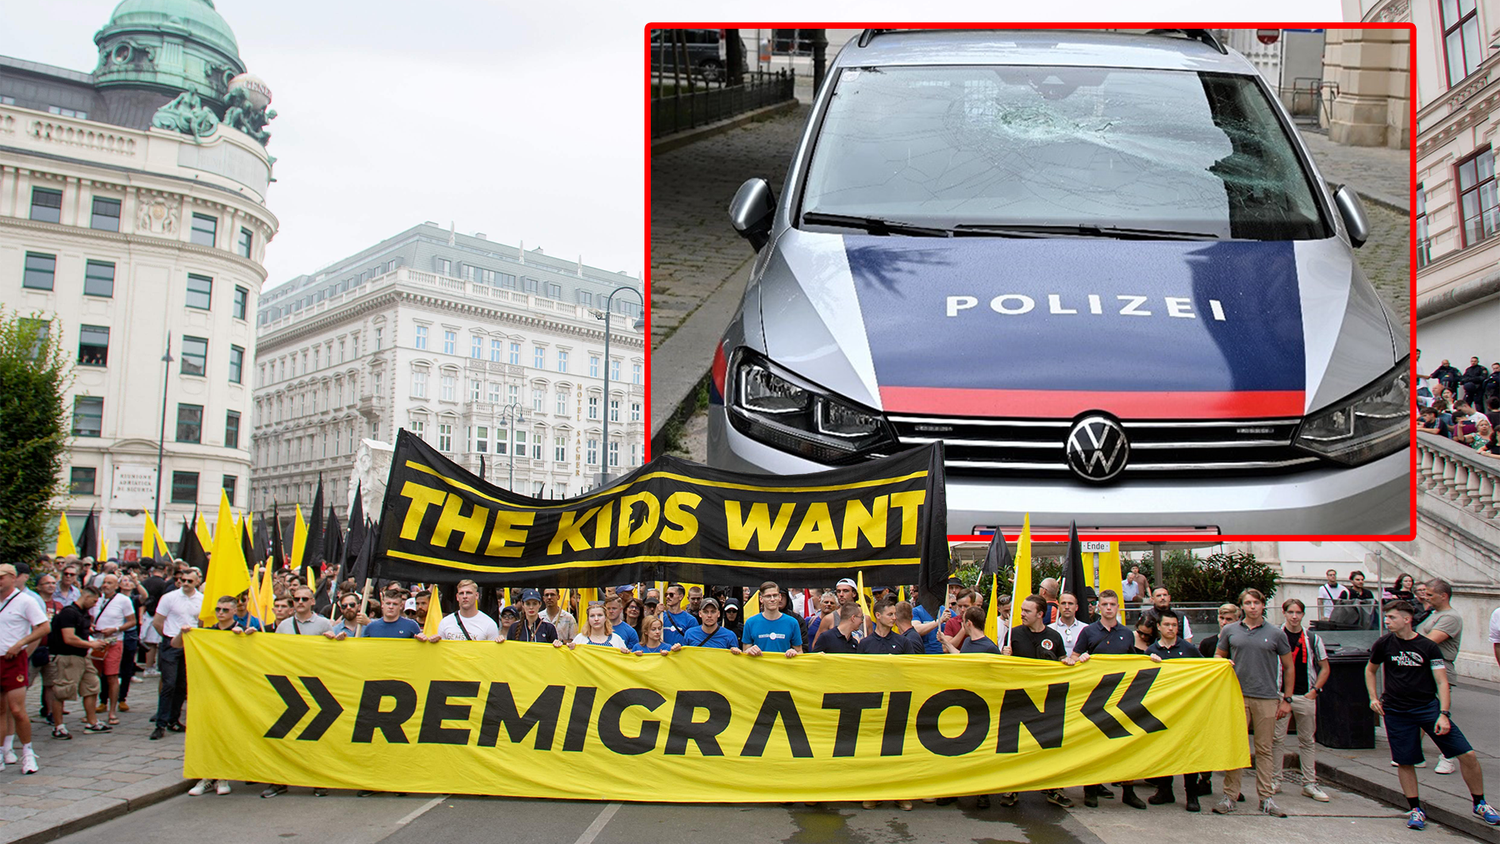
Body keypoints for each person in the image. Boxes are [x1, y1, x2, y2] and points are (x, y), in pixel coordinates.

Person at [1366, 600, 1500, 830]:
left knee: (1467, 754)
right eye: (1386, 617)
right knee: (1405, 761)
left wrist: (1443, 714)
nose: (1387, 621)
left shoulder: (1428, 646)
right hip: (1396, 711)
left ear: (1407, 619)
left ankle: (1480, 803)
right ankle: (1415, 809)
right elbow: (1370, 669)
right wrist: (1373, 698)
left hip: (1427, 708)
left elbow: (1441, 681)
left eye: (1392, 617)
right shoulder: (1384, 644)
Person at [1213, 588, 1295, 818]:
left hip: (1266, 697)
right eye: (1248, 603)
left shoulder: (1276, 633)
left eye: (1256, 603)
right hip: (1237, 696)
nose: (1252, 607)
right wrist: (1223, 662)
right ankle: (1230, 796)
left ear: (1263, 605)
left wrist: (1287, 699)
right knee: (1236, 747)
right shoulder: (1230, 630)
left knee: (1264, 748)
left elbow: (1289, 666)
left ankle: (1266, 797)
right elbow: (1218, 656)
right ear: (1242, 606)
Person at [260, 585, 335, 798]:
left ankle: (317, 779)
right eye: (296, 599)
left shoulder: (323, 624)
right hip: (289, 685)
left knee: (315, 736)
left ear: (313, 601)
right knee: (283, 735)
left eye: (304, 599)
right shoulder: (284, 626)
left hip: (315, 685)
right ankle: (279, 780)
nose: (300, 602)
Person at [1270, 598, 1331, 802]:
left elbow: (1324, 667)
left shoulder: (1312, 639)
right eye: (1291, 612)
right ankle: (1275, 779)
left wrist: (1315, 690)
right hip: (1280, 694)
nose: (1294, 617)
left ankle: (1309, 782)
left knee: (1307, 740)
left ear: (1303, 614)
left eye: (1298, 613)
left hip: (1304, 694)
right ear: (1284, 613)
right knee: (1277, 739)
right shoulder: (1276, 636)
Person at [1145, 611, 1205, 811]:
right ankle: (1164, 790)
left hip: (1186, 709)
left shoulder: (1189, 649)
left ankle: (1191, 795)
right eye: (1167, 625)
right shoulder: (1151, 651)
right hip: (1162, 710)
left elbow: (1205, 668)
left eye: (1174, 625)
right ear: (1159, 627)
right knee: (1163, 750)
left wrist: (1222, 665)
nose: (1171, 628)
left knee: (1188, 751)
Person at [188, 596, 246, 798]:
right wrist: (185, 633)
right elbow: (176, 644)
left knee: (226, 732)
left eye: (225, 610)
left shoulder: (241, 631)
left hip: (232, 690)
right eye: (218, 609)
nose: (220, 613)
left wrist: (245, 639)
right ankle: (206, 776)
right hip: (209, 689)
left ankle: (223, 776)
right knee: (208, 733)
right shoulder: (208, 632)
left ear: (234, 611)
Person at [0, 563, 50, 774]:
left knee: (17, 709)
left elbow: (44, 627)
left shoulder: (25, 601)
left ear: (12, 578)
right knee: (0, 710)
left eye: (1, 577)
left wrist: (20, 643)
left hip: (13, 659)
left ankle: (28, 752)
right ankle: (2, 751)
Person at [45, 585, 108, 737]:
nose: (94, 604)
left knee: (92, 686)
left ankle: (92, 722)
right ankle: (58, 727)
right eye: (94, 601)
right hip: (68, 656)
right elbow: (69, 638)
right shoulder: (69, 613)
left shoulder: (83, 614)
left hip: (83, 656)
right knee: (62, 690)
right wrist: (91, 644)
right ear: (86, 597)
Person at [1415, 579, 1464, 775]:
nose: (1426, 597)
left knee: (1438, 714)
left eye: (1430, 594)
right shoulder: (1433, 614)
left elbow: (1428, 641)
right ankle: (1414, 753)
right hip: (1425, 669)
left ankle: (1448, 756)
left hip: (1440, 668)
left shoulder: (1451, 617)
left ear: (1443, 596)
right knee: (1420, 711)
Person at [150, 568, 202, 740]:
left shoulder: (201, 599)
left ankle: (173, 719)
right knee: (169, 683)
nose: (185, 583)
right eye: (183, 580)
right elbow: (158, 622)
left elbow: (201, 622)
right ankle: (161, 723)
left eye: (189, 581)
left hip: (190, 644)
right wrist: (169, 638)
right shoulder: (169, 597)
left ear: (197, 582)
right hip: (172, 642)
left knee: (182, 684)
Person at [88, 574, 134, 727]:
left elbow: (132, 621)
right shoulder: (96, 599)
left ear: (116, 585)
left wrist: (115, 629)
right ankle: (92, 711)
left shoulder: (123, 600)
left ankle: (112, 711)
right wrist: (90, 626)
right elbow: (89, 616)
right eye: (104, 582)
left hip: (113, 641)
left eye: (109, 583)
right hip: (96, 641)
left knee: (112, 676)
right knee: (93, 676)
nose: (105, 585)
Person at [740, 581, 803, 657]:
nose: (772, 599)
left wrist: (794, 652)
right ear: (761, 599)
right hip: (759, 665)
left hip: (782, 665)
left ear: (780, 597)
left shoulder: (792, 623)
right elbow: (745, 652)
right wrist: (749, 651)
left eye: (775, 595)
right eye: (768, 596)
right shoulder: (750, 623)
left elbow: (800, 651)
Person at [424, 580, 499, 642]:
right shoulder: (445, 622)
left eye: (469, 593)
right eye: (461, 593)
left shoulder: (489, 624)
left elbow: (492, 653)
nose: (465, 596)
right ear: (457, 597)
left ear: (476, 596)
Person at [565, 602, 630, 652]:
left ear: (605, 618)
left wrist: (625, 653)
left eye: (600, 615)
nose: (596, 619)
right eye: (592, 616)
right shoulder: (580, 638)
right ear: (588, 619)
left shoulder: (616, 639)